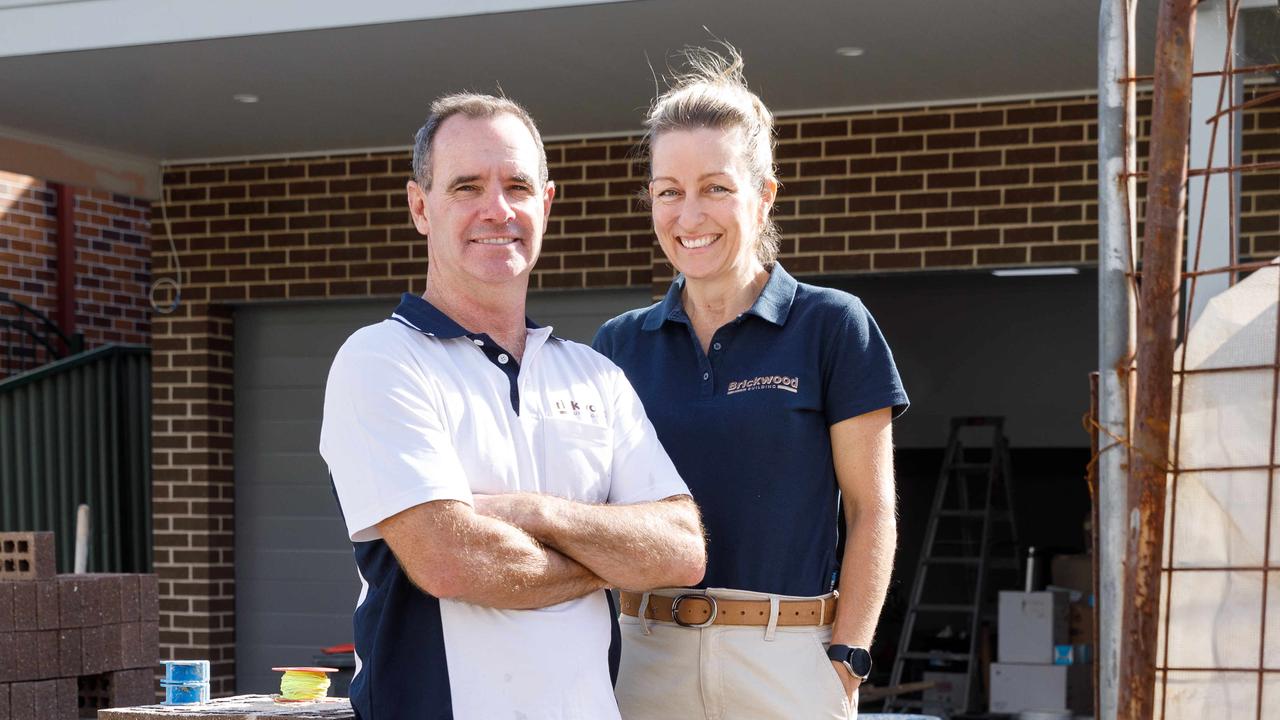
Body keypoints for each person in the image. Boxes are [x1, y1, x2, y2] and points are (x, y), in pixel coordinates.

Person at [319, 93, 706, 720]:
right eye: (466, 187)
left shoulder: (595, 374)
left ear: (545, 204)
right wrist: (608, 564)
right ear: (421, 206)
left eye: (517, 186)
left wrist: (532, 512)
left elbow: (680, 551)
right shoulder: (382, 361)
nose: (496, 210)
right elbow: (452, 561)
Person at [592, 48, 909, 720]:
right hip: (644, 653)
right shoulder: (618, 346)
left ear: (763, 196)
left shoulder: (832, 326)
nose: (689, 214)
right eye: (668, 191)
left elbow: (872, 511)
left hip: (788, 656)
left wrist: (847, 658)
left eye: (716, 187)